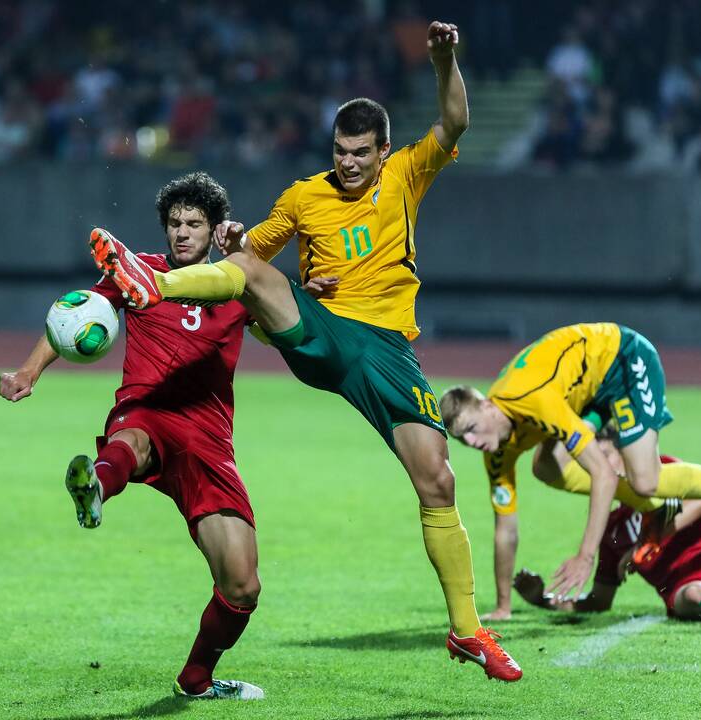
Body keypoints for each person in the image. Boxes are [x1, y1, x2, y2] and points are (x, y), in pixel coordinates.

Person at [87, 21, 522, 681]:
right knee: (259, 275)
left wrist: (444, 60)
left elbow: (456, 118)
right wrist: (239, 242)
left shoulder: (408, 173)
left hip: (388, 352)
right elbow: (245, 264)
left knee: (438, 478)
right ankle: (151, 283)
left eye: (359, 153)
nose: (347, 162)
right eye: (340, 151)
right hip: (323, 331)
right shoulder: (302, 197)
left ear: (383, 151)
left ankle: (467, 632)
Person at [0, 172, 263, 701]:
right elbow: (75, 317)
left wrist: (319, 298)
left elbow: (287, 324)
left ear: (214, 230)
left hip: (207, 439)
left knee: (242, 585)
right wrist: (29, 371)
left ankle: (196, 679)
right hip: (146, 409)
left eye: (193, 223)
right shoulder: (136, 273)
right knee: (132, 441)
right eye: (174, 223)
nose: (182, 233)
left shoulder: (237, 285)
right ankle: (95, 489)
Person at [440, 323, 701, 613]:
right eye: (461, 438)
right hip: (586, 391)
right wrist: (503, 606)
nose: (471, 441)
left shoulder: (533, 401)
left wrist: (585, 555)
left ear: (489, 407)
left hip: (621, 358)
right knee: (546, 467)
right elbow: (505, 529)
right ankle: (652, 509)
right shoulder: (497, 451)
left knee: (646, 481)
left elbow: (604, 475)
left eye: (472, 428)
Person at [514, 427, 701, 623]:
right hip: (681, 586)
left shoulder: (662, 472)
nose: (598, 468)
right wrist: (541, 599)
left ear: (623, 452)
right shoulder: (611, 528)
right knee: (694, 595)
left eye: (605, 456)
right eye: (589, 463)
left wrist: (648, 542)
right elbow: (599, 601)